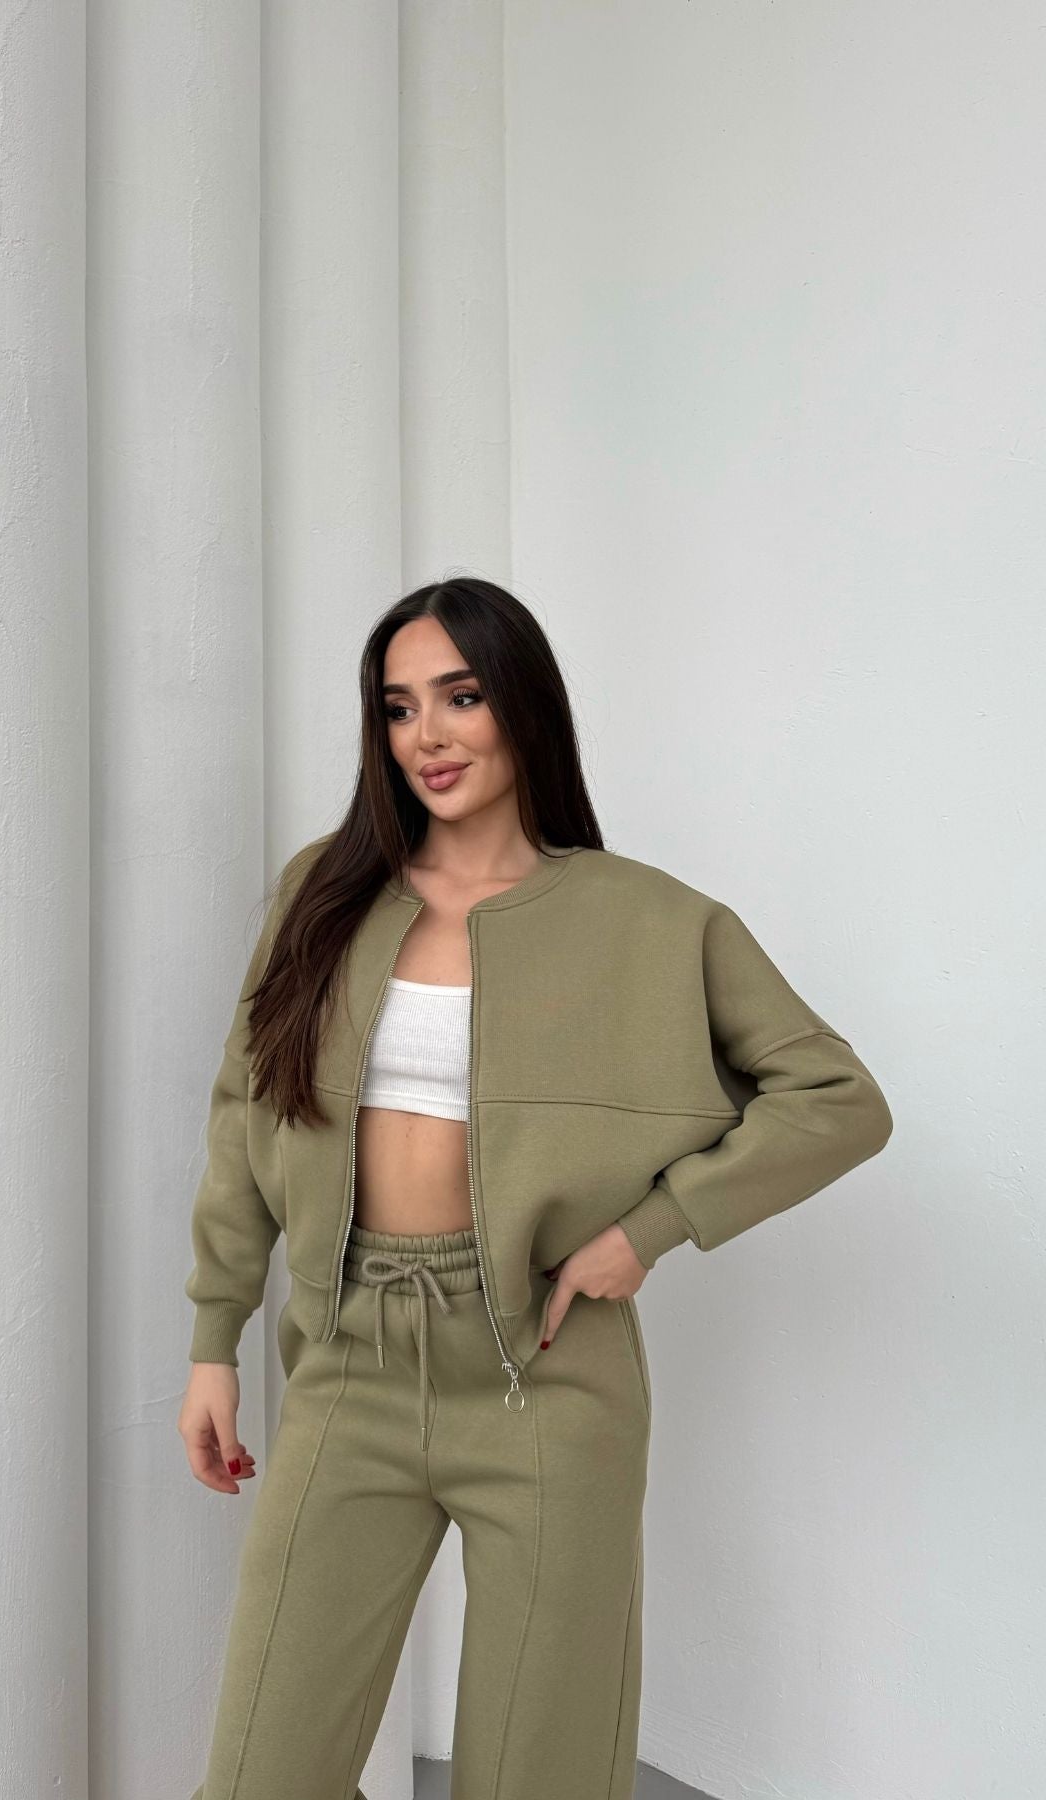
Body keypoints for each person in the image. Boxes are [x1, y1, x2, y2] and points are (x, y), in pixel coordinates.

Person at [177, 576, 893, 1800]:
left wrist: (650, 1231)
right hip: (349, 1356)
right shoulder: (324, 894)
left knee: (539, 1773)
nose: (429, 735)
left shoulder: (648, 920)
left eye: (460, 697)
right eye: (399, 707)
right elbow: (247, 1113)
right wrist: (214, 1339)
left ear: (523, 705)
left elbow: (837, 1099)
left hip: (550, 1373)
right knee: (262, 1773)